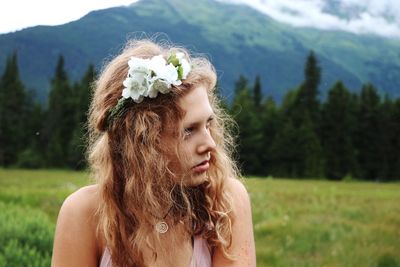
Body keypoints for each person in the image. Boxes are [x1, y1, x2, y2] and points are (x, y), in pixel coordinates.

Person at [51, 39, 256, 267]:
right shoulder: (85, 214)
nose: (210, 144)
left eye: (208, 124)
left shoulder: (226, 202)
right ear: (141, 143)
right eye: (188, 131)